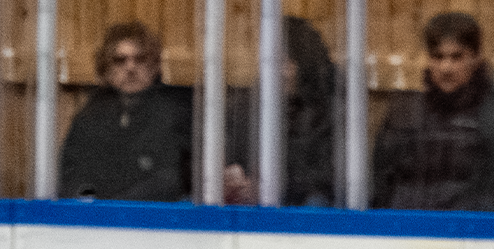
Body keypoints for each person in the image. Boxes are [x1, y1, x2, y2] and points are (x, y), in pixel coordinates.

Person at [371, 11, 494, 212]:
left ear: (475, 58)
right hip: (409, 226)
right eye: (438, 57)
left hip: (477, 228)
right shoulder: (405, 113)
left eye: (456, 57)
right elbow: (381, 185)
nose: (446, 67)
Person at [58, 21, 192, 201]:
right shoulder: (89, 117)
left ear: (155, 66)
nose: (130, 67)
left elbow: (171, 180)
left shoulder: (175, 113)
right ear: (106, 68)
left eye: (140, 59)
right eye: (119, 60)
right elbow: (71, 176)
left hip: (155, 215)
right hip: (97, 215)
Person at [224, 16, 338, 206]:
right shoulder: (244, 109)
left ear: (303, 65)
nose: (278, 71)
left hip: (299, 211)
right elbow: (224, 161)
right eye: (270, 60)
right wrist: (231, 178)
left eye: (285, 61)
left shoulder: (327, 113)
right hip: (247, 209)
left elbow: (326, 180)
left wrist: (270, 186)